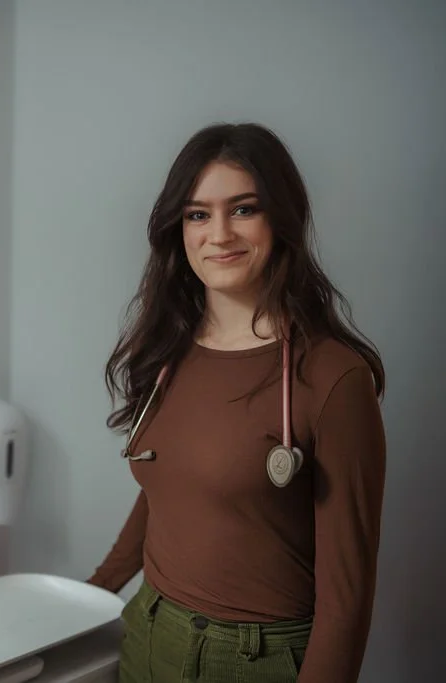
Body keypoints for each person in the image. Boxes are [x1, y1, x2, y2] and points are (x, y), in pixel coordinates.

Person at [87, 122, 386, 682]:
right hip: (150, 632)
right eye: (198, 214)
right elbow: (167, 488)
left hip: (257, 659)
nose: (218, 233)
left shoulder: (333, 378)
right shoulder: (167, 352)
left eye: (243, 209)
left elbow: (347, 597)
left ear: (282, 217)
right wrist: (92, 594)